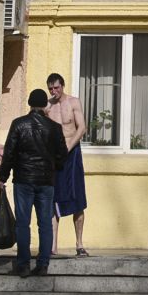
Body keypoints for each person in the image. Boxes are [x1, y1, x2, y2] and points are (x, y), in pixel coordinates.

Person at [0, 89, 67, 277]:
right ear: (45, 105)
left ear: (29, 103)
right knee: (45, 223)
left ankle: (23, 264)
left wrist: (3, 177)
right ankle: (43, 263)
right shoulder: (54, 127)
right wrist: (54, 168)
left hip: (23, 179)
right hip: (46, 181)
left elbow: (9, 153)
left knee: (23, 223)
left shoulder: (19, 124)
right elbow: (62, 155)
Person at [46, 73, 90, 257]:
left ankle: (79, 244)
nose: (54, 91)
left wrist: (68, 147)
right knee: (52, 199)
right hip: (54, 156)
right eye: (50, 88)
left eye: (56, 87)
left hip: (72, 154)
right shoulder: (47, 106)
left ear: (62, 86)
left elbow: (82, 127)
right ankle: (53, 245)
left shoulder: (73, 102)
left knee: (76, 197)